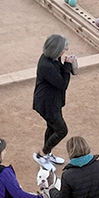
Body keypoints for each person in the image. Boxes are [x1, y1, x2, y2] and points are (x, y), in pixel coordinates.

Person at [32, 33, 74, 165]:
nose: (65, 51)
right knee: (61, 130)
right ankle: (42, 154)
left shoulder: (53, 58)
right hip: (47, 104)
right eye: (64, 49)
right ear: (56, 50)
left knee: (51, 127)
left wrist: (66, 65)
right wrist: (68, 66)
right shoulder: (47, 65)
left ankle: (47, 153)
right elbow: (62, 84)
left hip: (52, 102)